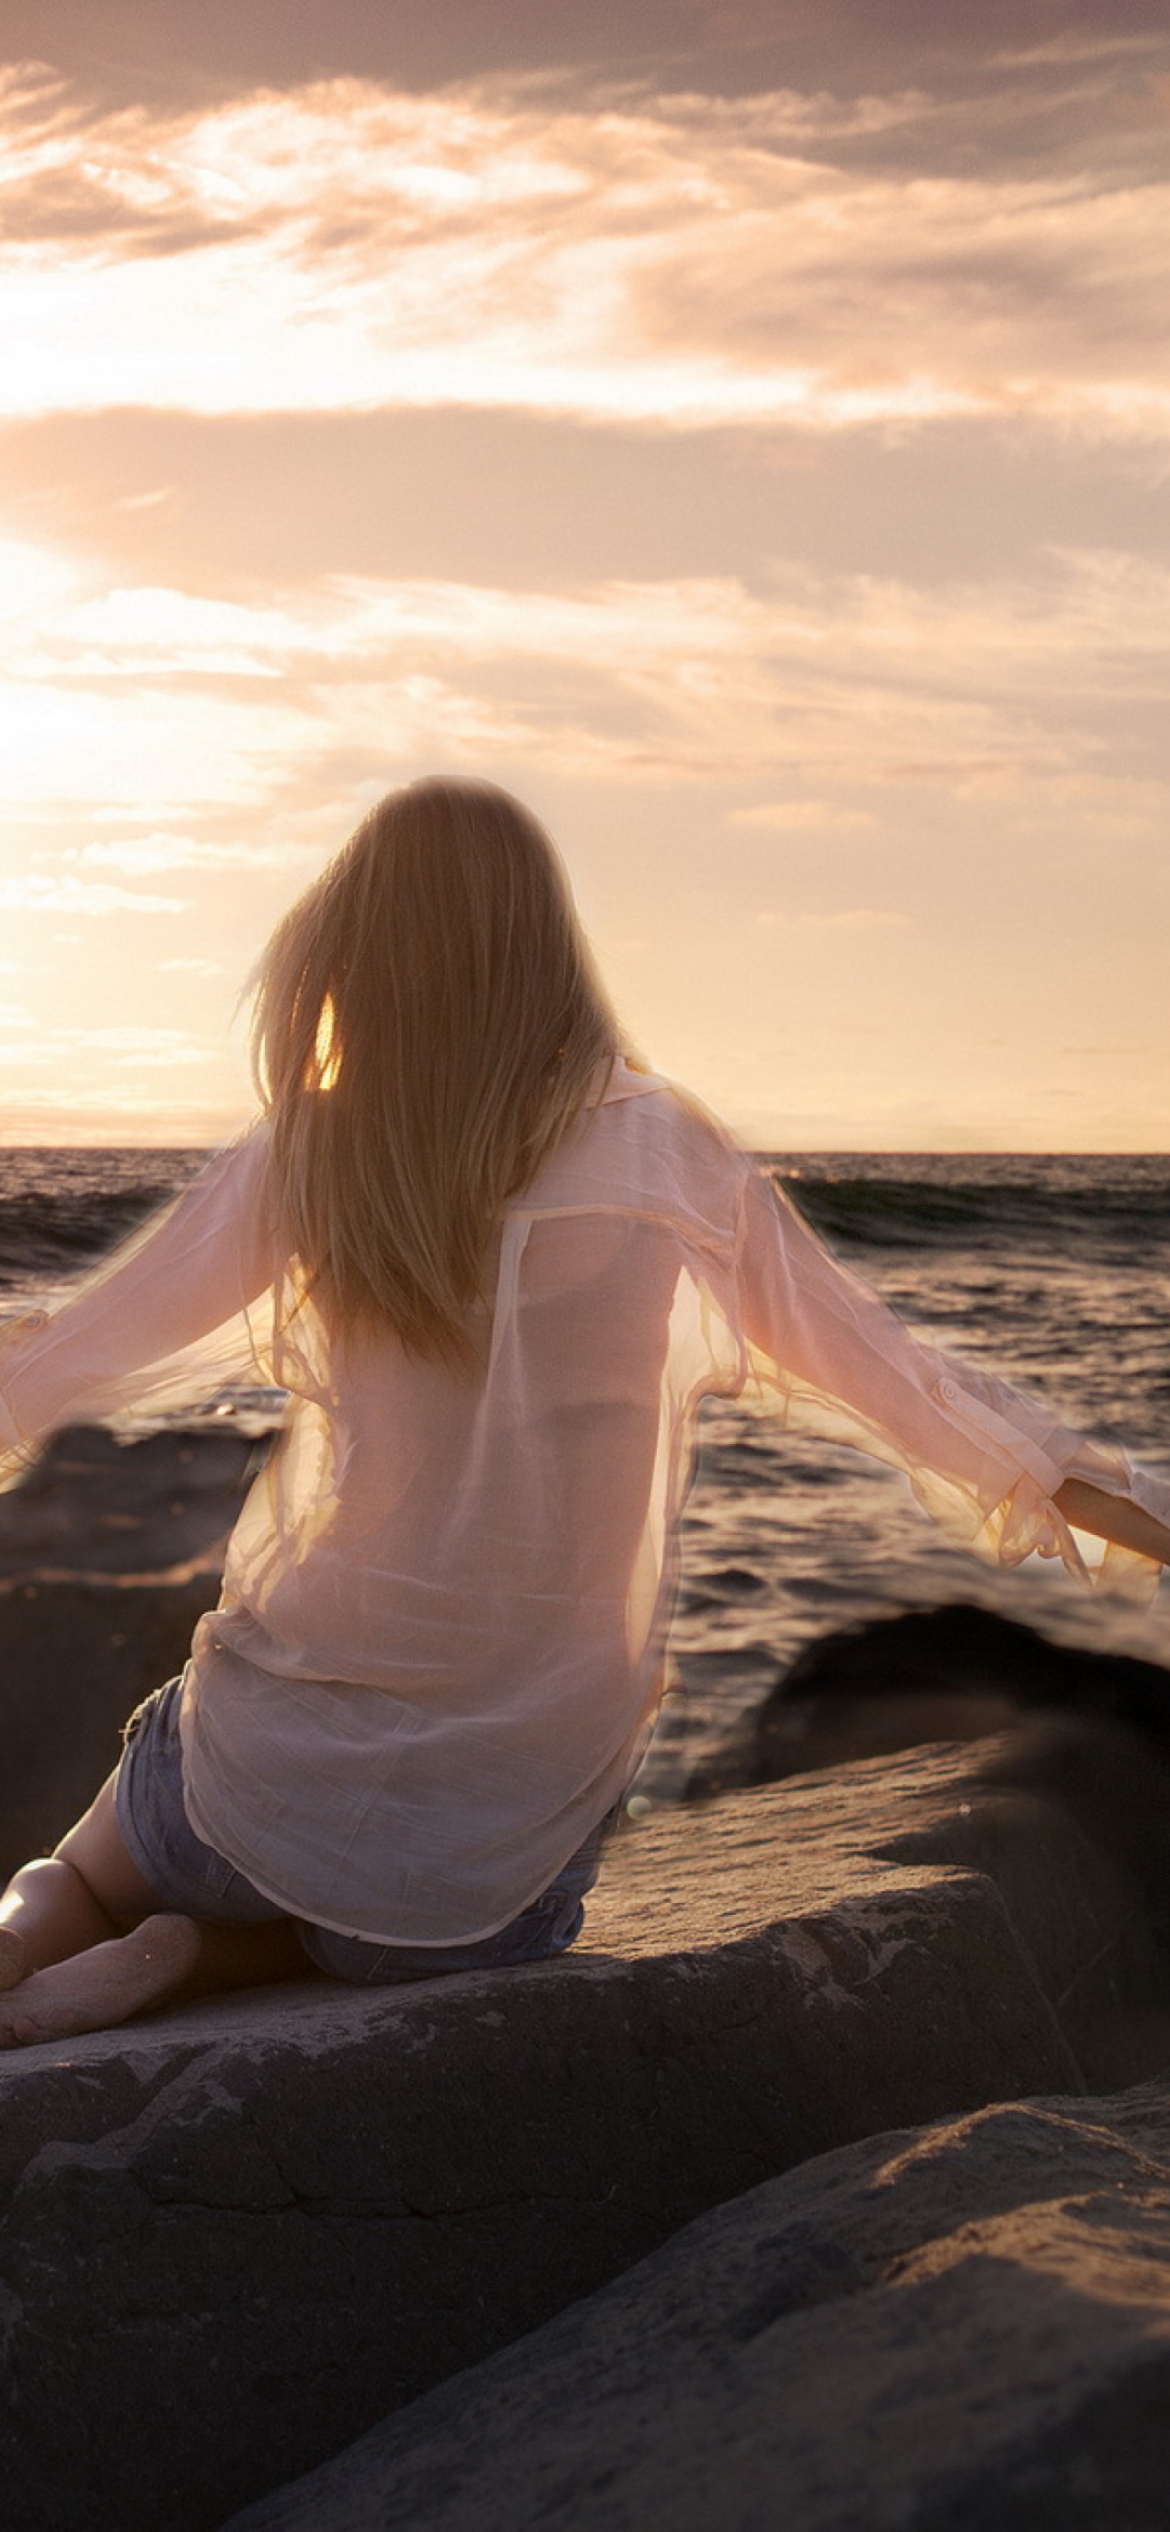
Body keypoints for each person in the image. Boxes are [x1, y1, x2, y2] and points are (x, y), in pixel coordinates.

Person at [0, 775, 1167, 2050]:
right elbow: (900, 1381)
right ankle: (219, 1961)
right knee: (410, 1924)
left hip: (260, 1774)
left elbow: (73, 1358)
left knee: (77, 1877)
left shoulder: (315, 1150)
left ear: (355, 946)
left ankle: (67, 1949)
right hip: (493, 1855)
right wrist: (1126, 1510)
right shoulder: (666, 1149)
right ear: (546, 946)